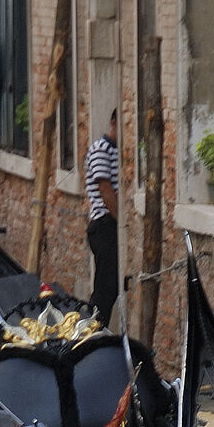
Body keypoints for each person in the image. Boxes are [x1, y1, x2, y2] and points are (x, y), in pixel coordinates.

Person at [85, 109, 120, 325]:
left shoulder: (119, 152)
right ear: (114, 123)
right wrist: (121, 224)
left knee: (111, 287)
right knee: (105, 289)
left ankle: (96, 330)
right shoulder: (101, 150)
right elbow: (105, 189)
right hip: (104, 224)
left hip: (110, 225)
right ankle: (92, 332)